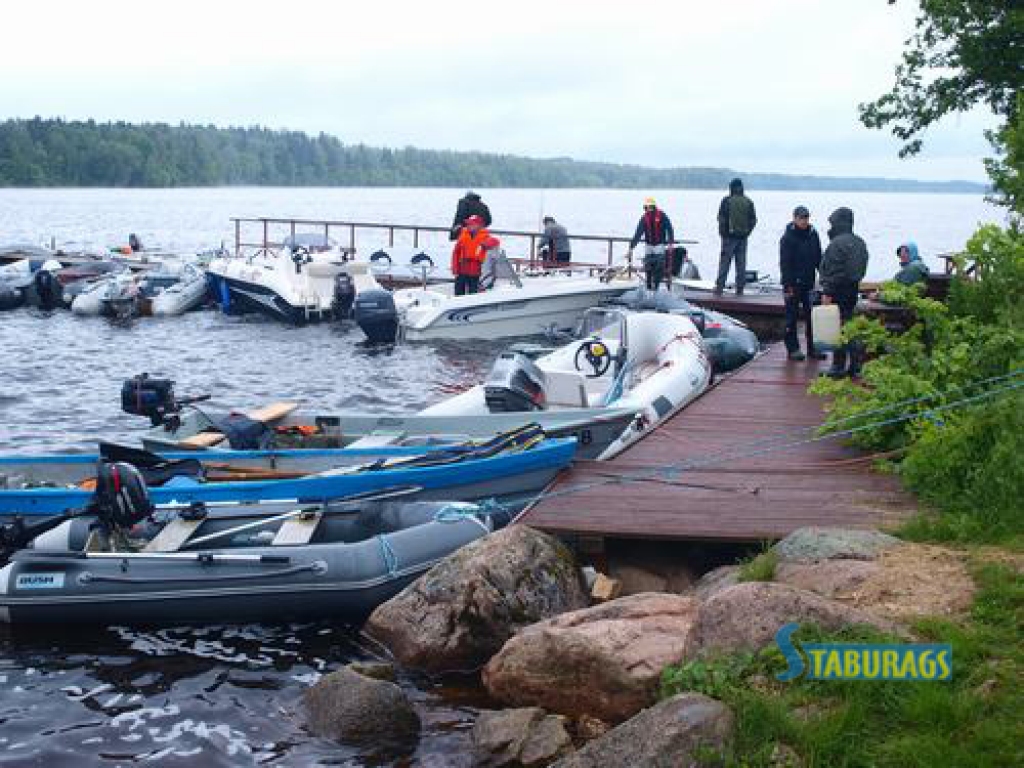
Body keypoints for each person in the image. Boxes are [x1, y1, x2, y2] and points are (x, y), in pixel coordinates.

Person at [819, 207, 870, 378]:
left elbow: (832, 271)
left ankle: (838, 366)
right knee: (849, 325)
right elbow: (861, 269)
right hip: (852, 290)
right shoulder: (859, 243)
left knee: (838, 327)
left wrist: (827, 292)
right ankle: (855, 365)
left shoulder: (836, 244)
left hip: (837, 291)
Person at [779, 205, 826, 361]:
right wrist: (788, 285)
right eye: (801, 218)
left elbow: (819, 257)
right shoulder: (787, 238)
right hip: (792, 283)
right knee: (791, 317)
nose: (804, 220)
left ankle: (813, 349)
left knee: (812, 316)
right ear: (794, 218)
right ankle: (793, 349)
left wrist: (824, 277)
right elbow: (784, 263)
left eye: (806, 217)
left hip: (809, 282)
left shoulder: (813, 234)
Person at [715, 178, 757, 295]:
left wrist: (723, 234)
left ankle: (719, 288)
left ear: (731, 188)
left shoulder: (726, 201)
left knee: (724, 263)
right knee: (741, 265)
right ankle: (740, 290)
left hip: (728, 238)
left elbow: (721, 219)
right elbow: (753, 220)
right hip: (743, 238)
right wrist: (747, 232)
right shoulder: (748, 201)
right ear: (742, 187)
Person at [627, 197, 675, 291]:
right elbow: (638, 233)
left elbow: (669, 228)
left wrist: (670, 242)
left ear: (654, 206)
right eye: (647, 207)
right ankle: (648, 286)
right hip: (648, 245)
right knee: (648, 265)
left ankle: (656, 286)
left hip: (659, 245)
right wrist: (632, 246)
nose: (649, 209)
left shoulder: (662, 215)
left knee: (659, 266)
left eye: (651, 207)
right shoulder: (644, 218)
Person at [451, 215, 491, 295]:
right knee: (458, 292)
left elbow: (492, 252)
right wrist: (455, 268)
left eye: (472, 224)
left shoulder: (486, 237)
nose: (469, 226)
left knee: (474, 294)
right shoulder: (463, 235)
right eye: (468, 224)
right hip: (462, 270)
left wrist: (484, 274)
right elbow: (456, 253)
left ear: (479, 225)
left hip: (476, 272)